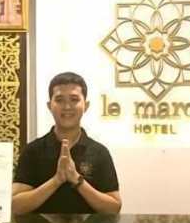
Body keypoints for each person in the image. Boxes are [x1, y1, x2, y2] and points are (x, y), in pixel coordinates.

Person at [12, 72, 121, 214]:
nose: (67, 106)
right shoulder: (32, 151)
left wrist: (77, 180)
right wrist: (56, 180)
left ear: (86, 105)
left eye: (74, 99)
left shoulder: (99, 152)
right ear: (49, 105)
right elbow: (15, 206)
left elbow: (114, 208)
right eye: (59, 100)